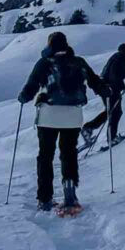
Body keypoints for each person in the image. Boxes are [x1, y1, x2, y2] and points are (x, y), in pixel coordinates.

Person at [17, 31, 109, 211]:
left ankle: (44, 199)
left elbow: (32, 85)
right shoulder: (79, 62)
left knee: (45, 156)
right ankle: (69, 193)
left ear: (50, 45)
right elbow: (95, 82)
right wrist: (105, 91)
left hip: (48, 116)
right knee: (68, 153)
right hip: (73, 117)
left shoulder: (45, 63)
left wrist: (24, 97)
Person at [81, 36, 125, 148]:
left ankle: (90, 129)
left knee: (112, 111)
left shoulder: (124, 55)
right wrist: (118, 85)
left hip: (108, 86)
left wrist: (121, 85)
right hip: (108, 88)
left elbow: (115, 74)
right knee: (115, 112)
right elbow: (114, 74)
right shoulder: (122, 56)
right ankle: (110, 138)